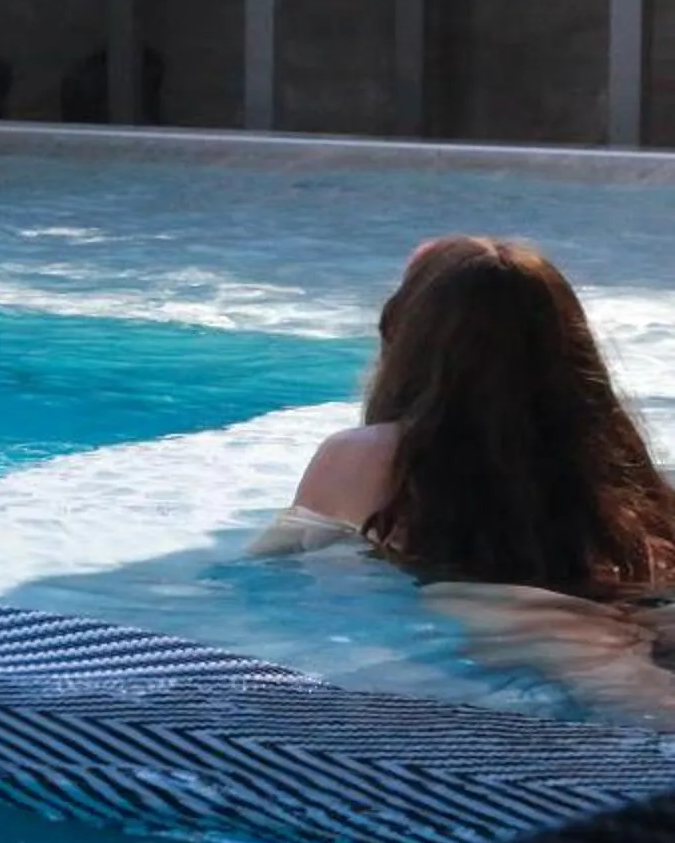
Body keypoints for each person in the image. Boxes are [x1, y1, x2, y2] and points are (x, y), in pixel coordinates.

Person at [254, 236, 675, 723]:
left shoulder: (366, 455)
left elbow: (269, 573)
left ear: (406, 339)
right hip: (639, 604)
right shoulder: (615, 457)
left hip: (512, 614)